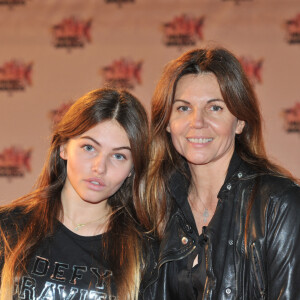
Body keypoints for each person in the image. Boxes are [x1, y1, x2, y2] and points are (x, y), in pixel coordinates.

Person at [143, 47, 300, 299]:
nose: (197, 122)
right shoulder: (152, 206)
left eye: (215, 108)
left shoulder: (279, 205)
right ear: (168, 123)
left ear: (239, 122)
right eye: (183, 108)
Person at [0, 88, 154, 300]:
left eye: (118, 156)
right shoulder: (7, 227)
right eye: (89, 148)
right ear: (63, 147)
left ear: (132, 169)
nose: (100, 167)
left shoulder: (145, 251)